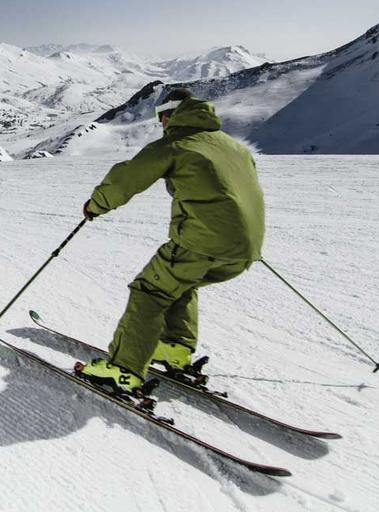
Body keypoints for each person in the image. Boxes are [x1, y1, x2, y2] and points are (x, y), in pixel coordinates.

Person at [78, 87, 265, 393]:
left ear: (170, 115)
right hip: (245, 250)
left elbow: (127, 178)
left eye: (161, 118)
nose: (161, 124)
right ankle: (174, 349)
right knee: (180, 284)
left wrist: (95, 205)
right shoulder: (235, 147)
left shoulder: (175, 145)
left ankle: (123, 370)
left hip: (201, 244)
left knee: (149, 291)